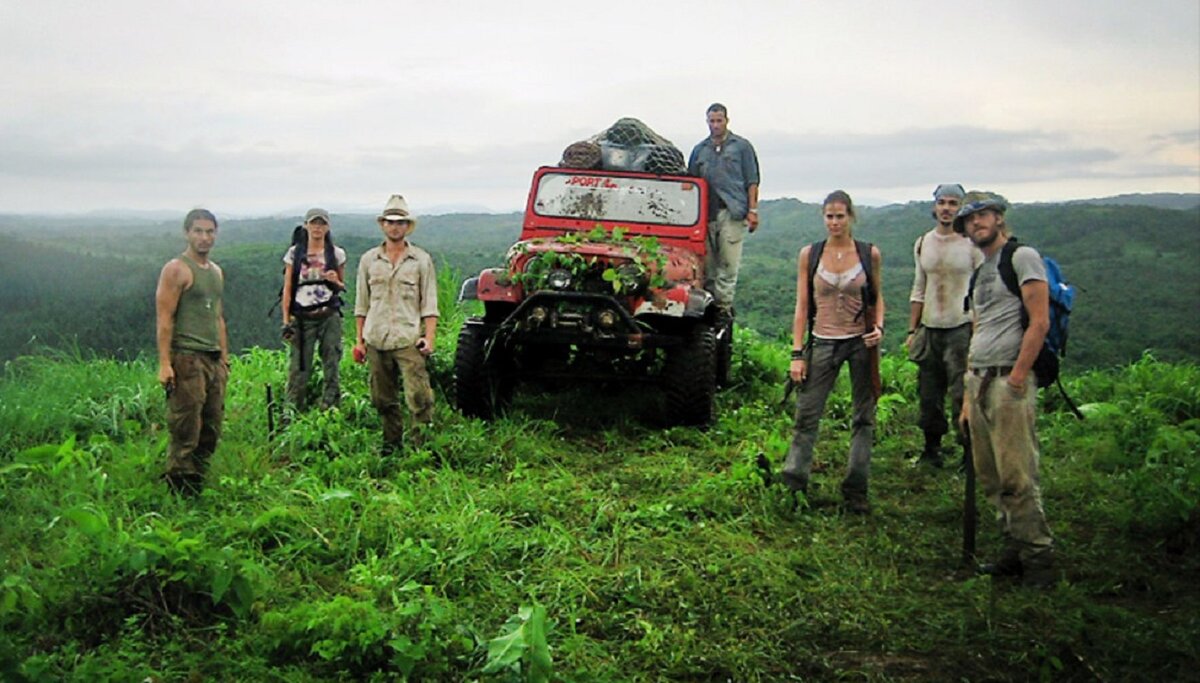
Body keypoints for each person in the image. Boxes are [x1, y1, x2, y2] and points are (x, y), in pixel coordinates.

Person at [956, 191, 1056, 587]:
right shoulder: (981, 271)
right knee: (992, 475)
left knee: (1017, 475)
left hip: (1006, 382)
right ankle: (1013, 548)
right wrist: (967, 397)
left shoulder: (1022, 258)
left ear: (999, 218)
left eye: (983, 215)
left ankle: (1039, 558)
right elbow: (977, 330)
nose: (976, 223)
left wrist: (1016, 378)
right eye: (970, 218)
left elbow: (1039, 321)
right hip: (979, 379)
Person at [777, 190, 885, 513]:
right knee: (806, 415)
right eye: (829, 216)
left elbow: (877, 297)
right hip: (822, 341)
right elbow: (802, 306)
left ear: (851, 216)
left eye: (840, 216)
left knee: (863, 418)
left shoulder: (869, 254)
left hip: (860, 342)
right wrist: (797, 354)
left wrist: (878, 326)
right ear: (823, 218)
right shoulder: (810, 255)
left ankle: (856, 491)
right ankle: (794, 484)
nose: (835, 222)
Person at [353, 195, 439, 452]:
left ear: (407, 226)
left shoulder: (420, 260)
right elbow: (361, 305)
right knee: (382, 399)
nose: (395, 227)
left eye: (400, 222)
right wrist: (359, 341)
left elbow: (430, 304)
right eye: (390, 222)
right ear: (382, 225)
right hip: (376, 339)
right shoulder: (369, 260)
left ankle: (420, 450)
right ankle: (391, 446)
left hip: (407, 339)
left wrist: (430, 337)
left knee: (419, 397)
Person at [906, 184, 983, 467]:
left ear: (960, 208)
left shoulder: (971, 246)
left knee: (961, 392)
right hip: (930, 326)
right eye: (942, 202)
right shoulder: (923, 242)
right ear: (934, 206)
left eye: (953, 203)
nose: (946, 208)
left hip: (960, 326)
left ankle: (969, 454)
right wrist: (912, 330)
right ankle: (931, 449)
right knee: (928, 392)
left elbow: (980, 291)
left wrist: (979, 329)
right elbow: (919, 287)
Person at [155, 208, 228, 495]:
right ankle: (178, 486)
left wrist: (224, 357)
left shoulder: (216, 272)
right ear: (187, 233)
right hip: (187, 356)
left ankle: (198, 479)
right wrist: (165, 363)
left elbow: (218, 317)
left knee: (211, 425)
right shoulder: (176, 269)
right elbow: (164, 318)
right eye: (198, 231)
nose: (204, 237)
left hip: (212, 357)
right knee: (186, 425)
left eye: (210, 231)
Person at [687, 102, 760, 325]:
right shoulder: (700, 150)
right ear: (707, 121)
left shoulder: (742, 147)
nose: (716, 125)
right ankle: (707, 309)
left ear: (727, 120)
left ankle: (723, 309)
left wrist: (753, 210)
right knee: (707, 265)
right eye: (712, 121)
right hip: (705, 214)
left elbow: (752, 180)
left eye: (719, 120)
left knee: (728, 264)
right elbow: (691, 181)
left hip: (733, 211)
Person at [281, 208, 347, 411]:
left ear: (328, 227)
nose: (317, 227)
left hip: (329, 315)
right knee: (299, 367)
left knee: (331, 363)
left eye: (322, 223)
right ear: (306, 225)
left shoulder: (336, 253)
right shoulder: (295, 253)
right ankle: (292, 412)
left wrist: (336, 281)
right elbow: (288, 288)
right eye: (314, 223)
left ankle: (330, 409)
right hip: (302, 317)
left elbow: (341, 286)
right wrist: (286, 321)